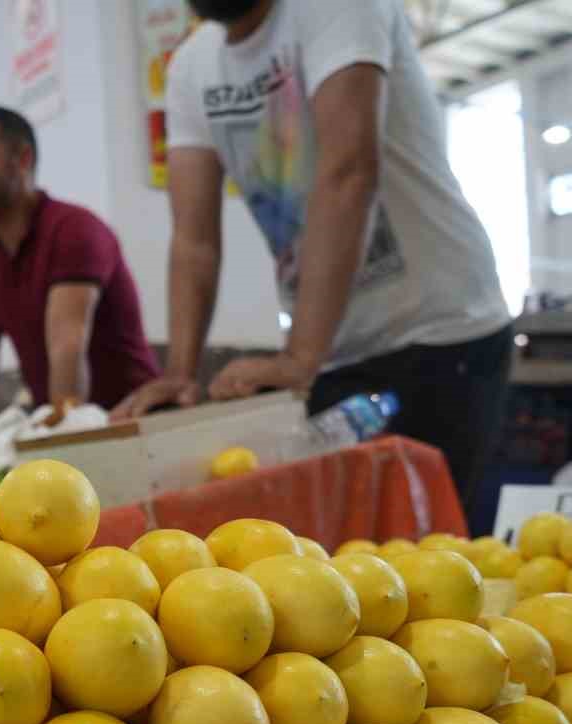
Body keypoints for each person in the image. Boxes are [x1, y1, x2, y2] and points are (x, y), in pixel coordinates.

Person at [114, 0, 514, 506]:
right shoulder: (191, 66)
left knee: (433, 558)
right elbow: (194, 240)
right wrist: (179, 375)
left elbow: (348, 172)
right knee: (347, 559)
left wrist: (300, 355)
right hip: (334, 351)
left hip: (438, 332)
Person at [0, 107, 162, 436]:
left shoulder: (74, 229)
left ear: (22, 159)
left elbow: (67, 348)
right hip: (65, 422)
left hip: (135, 422)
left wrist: (62, 441)